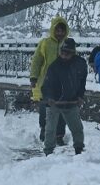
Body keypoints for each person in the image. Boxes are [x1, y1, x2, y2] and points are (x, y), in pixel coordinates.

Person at [40, 38, 87, 155]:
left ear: (73, 53)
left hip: (71, 101)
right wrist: (49, 97)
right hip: (54, 102)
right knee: (50, 129)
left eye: (67, 53)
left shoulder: (80, 64)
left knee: (77, 128)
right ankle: (48, 151)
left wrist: (80, 96)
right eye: (62, 52)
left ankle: (79, 149)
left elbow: (82, 82)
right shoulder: (54, 67)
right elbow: (46, 85)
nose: (64, 55)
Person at [29, 16, 70, 144]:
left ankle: (59, 135)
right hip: (46, 83)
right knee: (45, 109)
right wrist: (34, 77)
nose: (60, 33)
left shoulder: (68, 43)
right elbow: (37, 61)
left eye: (62, 31)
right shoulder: (45, 43)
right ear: (53, 30)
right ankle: (45, 131)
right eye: (57, 30)